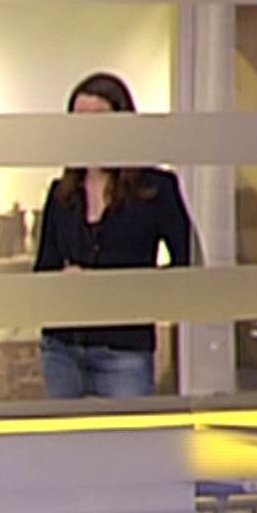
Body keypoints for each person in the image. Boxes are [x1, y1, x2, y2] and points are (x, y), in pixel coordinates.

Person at [33, 73, 194, 398]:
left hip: (123, 352)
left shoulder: (155, 189)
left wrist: (115, 288)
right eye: (79, 121)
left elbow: (187, 265)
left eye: (99, 120)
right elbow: (43, 271)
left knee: (126, 431)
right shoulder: (62, 194)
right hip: (62, 350)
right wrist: (62, 282)